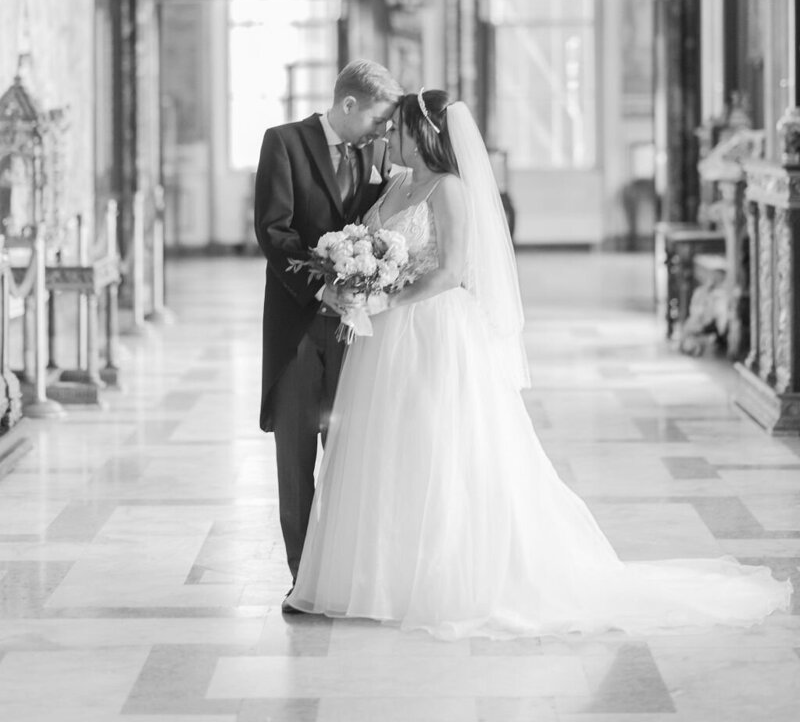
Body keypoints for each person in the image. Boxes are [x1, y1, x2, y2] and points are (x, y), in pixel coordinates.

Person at [287, 89, 792, 639]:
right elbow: (378, 247)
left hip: (432, 330)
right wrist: (356, 279)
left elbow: (452, 271)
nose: (389, 137)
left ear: (425, 134)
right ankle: (378, 575)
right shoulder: (399, 182)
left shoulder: (449, 189)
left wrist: (385, 299)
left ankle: (442, 574)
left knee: (438, 445)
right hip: (383, 338)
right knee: (386, 445)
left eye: (400, 129)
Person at [254, 58, 402, 610]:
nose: (383, 130)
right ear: (348, 105)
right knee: (295, 460)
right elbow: (274, 231)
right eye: (378, 118)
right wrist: (320, 290)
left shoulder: (379, 155)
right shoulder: (284, 144)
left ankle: (343, 575)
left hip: (354, 331)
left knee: (348, 454)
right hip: (296, 326)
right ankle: (304, 582)